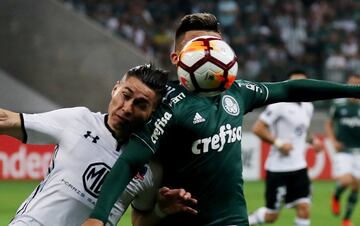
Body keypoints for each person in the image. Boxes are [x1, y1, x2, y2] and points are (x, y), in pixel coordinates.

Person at [82, 13, 360, 226]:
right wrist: (98, 216)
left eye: (214, 45)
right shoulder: (165, 104)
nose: (209, 53)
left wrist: (353, 91)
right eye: (198, 47)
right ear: (177, 58)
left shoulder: (238, 92)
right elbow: (130, 159)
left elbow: (289, 88)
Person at [2, 64, 196, 226]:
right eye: (125, 95)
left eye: (141, 104)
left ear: (153, 113)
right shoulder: (78, 120)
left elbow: (139, 222)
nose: (127, 108)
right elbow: (7, 120)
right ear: (115, 89)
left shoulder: (151, 168)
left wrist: (160, 211)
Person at [247, 70, 323, 226]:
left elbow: (302, 129)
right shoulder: (279, 105)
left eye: (303, 83)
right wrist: (279, 143)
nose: (300, 87)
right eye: (296, 83)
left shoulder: (308, 106)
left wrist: (312, 140)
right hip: (278, 169)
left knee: (304, 208)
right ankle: (246, 220)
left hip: (299, 167)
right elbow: (258, 128)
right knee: (271, 216)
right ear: (289, 84)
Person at [325, 74, 360, 226]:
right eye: (351, 83)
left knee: (357, 185)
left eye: (357, 83)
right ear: (347, 84)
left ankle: (346, 219)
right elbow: (329, 124)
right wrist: (333, 140)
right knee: (345, 181)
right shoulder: (339, 105)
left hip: (359, 150)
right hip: (344, 149)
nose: (354, 86)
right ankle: (336, 195)